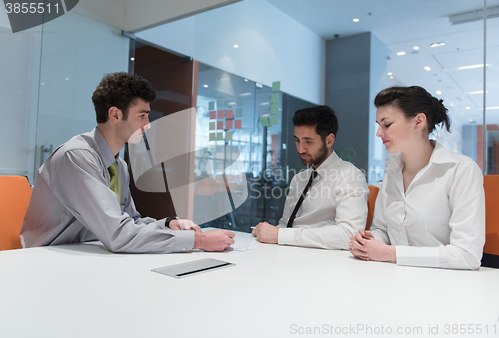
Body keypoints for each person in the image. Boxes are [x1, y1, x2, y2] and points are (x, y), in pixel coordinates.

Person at [20, 72, 234, 253]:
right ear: (115, 114)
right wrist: (198, 241)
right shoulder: (76, 157)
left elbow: (128, 222)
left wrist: (168, 224)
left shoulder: (118, 166)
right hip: (46, 258)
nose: (148, 125)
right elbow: (118, 234)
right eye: (142, 116)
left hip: (87, 251)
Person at [349, 86, 485, 270]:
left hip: (445, 286)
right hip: (393, 277)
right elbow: (381, 229)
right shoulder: (392, 173)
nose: (379, 133)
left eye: (386, 124)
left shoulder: (461, 170)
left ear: (418, 121)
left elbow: (467, 255)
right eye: (378, 125)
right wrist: (369, 243)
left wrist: (390, 253)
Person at [252, 106, 368, 249]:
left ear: (329, 140)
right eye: (297, 140)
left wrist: (280, 235)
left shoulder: (350, 176)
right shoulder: (299, 179)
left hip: (322, 263)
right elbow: (285, 224)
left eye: (308, 141)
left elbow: (349, 235)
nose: (300, 149)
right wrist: (266, 235)